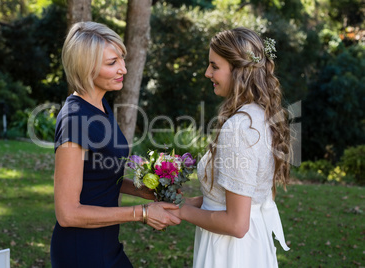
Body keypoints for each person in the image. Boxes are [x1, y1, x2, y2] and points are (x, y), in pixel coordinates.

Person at [50, 21, 181, 268]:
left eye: (121, 59)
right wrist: (141, 213)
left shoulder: (100, 106)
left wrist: (147, 190)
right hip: (81, 251)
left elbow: (99, 178)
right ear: (86, 67)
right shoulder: (75, 120)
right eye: (112, 63)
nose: (123, 69)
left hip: (106, 242)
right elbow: (67, 213)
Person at [172, 27, 291, 267]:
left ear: (239, 71)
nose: (207, 73)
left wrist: (180, 213)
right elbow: (235, 198)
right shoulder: (260, 115)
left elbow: (236, 224)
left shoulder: (240, 127)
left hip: (231, 252)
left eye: (215, 66)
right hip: (251, 244)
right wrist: (184, 203)